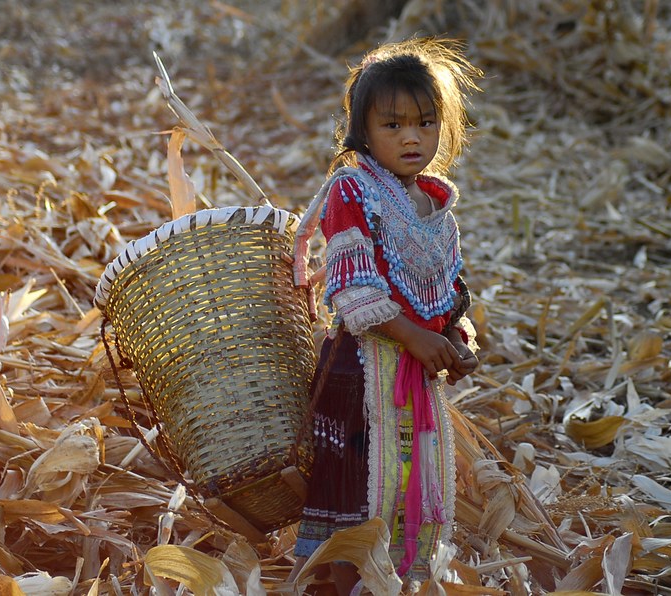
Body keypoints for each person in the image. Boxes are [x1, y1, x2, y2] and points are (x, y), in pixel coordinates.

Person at [290, 37, 482, 594]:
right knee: (356, 489)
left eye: (424, 123)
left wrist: (451, 338)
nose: (411, 137)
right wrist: (416, 338)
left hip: (415, 374)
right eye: (393, 125)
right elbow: (355, 291)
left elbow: (449, 291)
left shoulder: (437, 206)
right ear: (363, 130)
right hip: (359, 371)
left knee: (406, 482)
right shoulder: (353, 189)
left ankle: (390, 579)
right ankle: (343, 579)